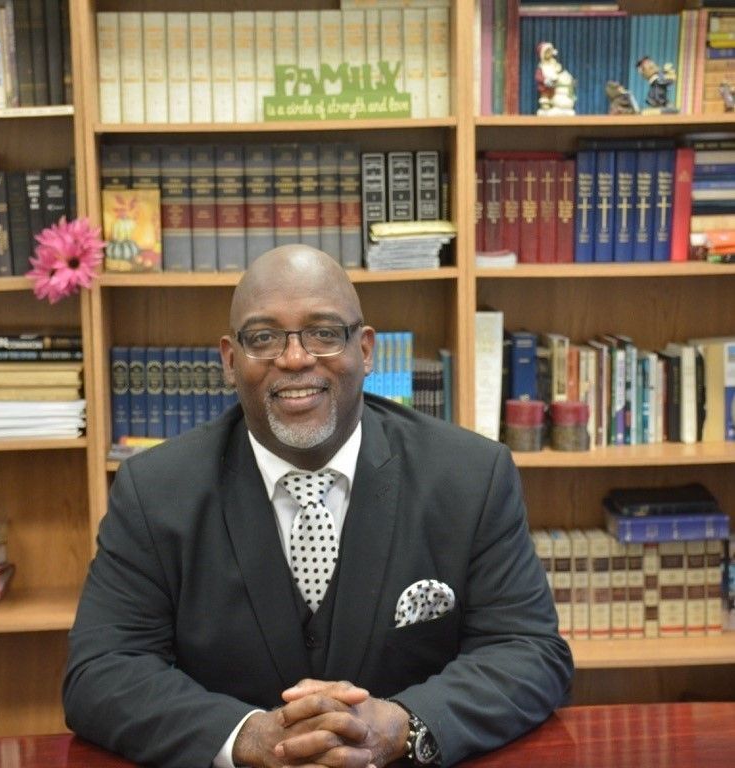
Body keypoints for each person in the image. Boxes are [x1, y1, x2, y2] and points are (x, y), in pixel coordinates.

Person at [63, 245, 573, 768]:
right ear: (229, 360)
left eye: (324, 332)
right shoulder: (154, 490)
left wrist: (405, 723)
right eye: (263, 337)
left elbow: (529, 651)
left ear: (367, 350)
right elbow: (100, 672)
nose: (295, 358)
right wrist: (245, 739)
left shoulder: (471, 476)